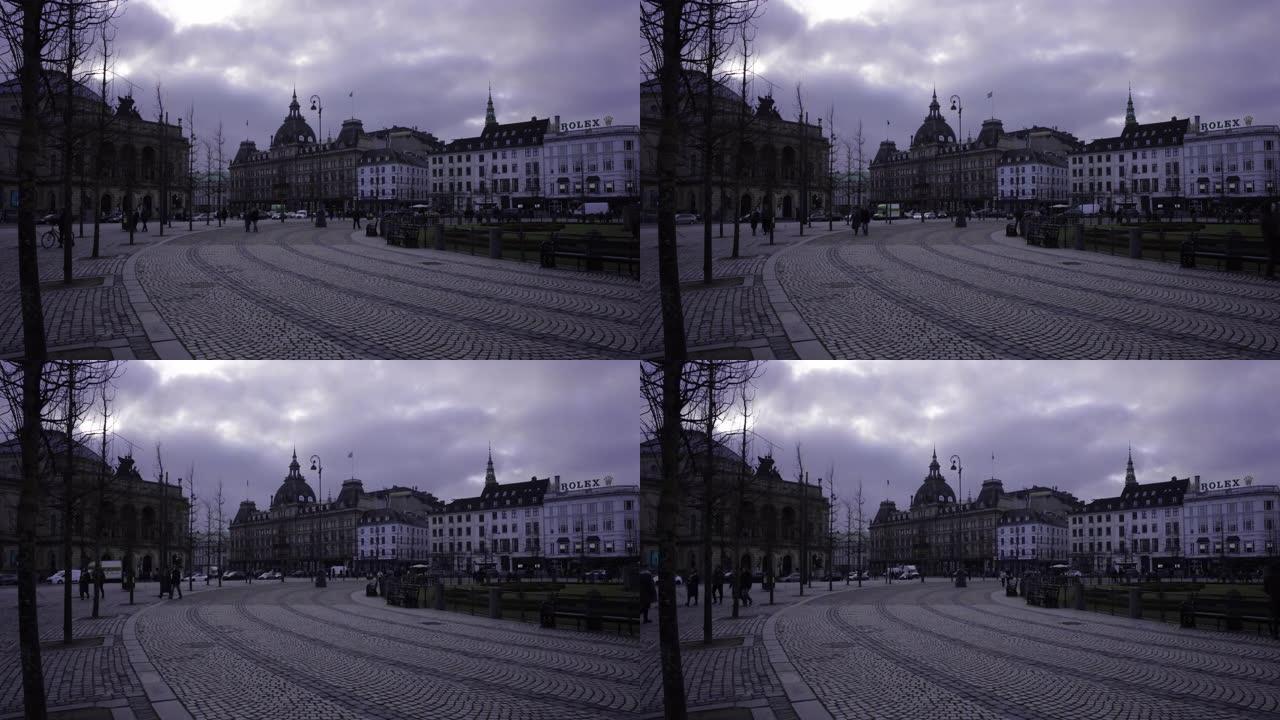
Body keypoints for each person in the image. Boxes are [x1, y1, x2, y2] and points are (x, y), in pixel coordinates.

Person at [1261, 201, 1278, 279]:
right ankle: (1269, 274)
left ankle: (1269, 274)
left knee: (1272, 257)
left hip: (1270, 239)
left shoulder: (1267, 216)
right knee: (1271, 257)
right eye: (1272, 206)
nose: (1273, 207)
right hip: (1271, 240)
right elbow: (1272, 229)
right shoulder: (1267, 217)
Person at [1265, 561, 1280, 640]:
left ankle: (1275, 633)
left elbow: (1266, 589)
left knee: (1275, 617)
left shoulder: (1269, 577)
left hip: (1273, 599)